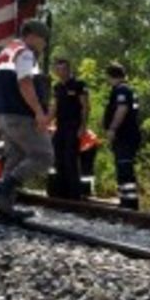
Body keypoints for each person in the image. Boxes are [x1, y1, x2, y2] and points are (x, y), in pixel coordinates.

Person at [0, 20, 54, 220]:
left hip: (3, 114)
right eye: (43, 39)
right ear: (32, 35)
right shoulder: (25, 53)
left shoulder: (5, 52)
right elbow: (25, 84)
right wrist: (39, 112)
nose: (44, 44)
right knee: (44, 156)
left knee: (14, 158)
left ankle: (5, 210)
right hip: (20, 114)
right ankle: (1, 188)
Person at [48, 59, 90, 200]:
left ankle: (74, 194)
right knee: (58, 157)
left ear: (69, 69)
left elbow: (85, 106)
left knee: (70, 158)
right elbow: (54, 107)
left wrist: (83, 126)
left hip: (74, 126)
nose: (61, 72)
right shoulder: (57, 87)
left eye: (63, 69)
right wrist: (46, 122)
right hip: (60, 127)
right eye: (58, 70)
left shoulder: (79, 85)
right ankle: (61, 192)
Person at [103, 63, 142, 210]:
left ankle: (130, 203)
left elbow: (122, 109)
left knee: (125, 167)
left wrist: (112, 128)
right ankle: (126, 201)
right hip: (127, 135)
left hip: (125, 135)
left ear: (110, 76)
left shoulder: (122, 90)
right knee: (123, 167)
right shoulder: (127, 89)